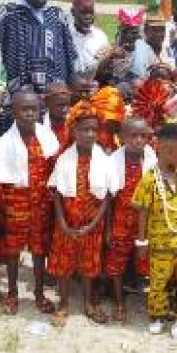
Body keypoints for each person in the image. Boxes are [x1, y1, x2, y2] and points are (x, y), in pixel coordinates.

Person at [0, 91, 61, 316]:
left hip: (41, 203)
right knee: (12, 252)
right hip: (15, 204)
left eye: (34, 109)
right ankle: (12, 293)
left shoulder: (47, 137)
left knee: (39, 251)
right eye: (24, 109)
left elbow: (54, 169)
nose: (30, 113)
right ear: (14, 112)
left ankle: (39, 294)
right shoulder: (3, 143)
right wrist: (5, 209)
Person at [133, 124, 177, 340]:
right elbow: (142, 212)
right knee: (158, 283)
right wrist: (142, 242)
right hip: (160, 244)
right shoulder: (149, 180)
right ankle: (157, 316)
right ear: (168, 149)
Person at [47, 101, 115, 325]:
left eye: (94, 130)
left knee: (89, 266)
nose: (89, 134)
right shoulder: (63, 159)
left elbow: (106, 196)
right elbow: (56, 193)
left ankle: (88, 303)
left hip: (91, 224)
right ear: (73, 131)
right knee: (63, 266)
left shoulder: (104, 160)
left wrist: (94, 223)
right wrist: (62, 223)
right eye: (84, 129)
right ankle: (64, 304)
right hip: (66, 223)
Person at [0, 0, 77, 95]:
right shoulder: (8, 12)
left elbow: (68, 54)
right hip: (19, 94)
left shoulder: (56, 14)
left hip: (53, 93)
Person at [106, 118, 156, 322]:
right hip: (120, 220)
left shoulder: (153, 160)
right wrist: (108, 228)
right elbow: (109, 199)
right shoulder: (113, 162)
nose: (138, 140)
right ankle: (119, 303)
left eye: (143, 136)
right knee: (116, 262)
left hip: (145, 221)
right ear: (122, 138)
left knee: (147, 261)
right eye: (133, 136)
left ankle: (151, 301)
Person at [69, 0, 110, 78]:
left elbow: (103, 71)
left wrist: (109, 58)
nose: (88, 17)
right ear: (73, 12)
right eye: (83, 12)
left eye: (91, 12)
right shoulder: (65, 35)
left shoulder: (101, 37)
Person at [43, 81, 72, 146]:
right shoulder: (37, 126)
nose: (65, 109)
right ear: (47, 103)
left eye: (67, 105)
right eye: (60, 105)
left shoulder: (76, 123)